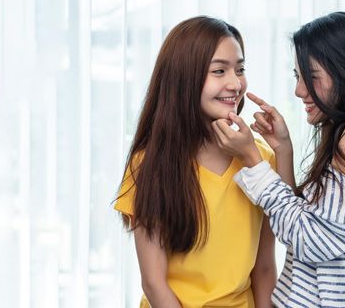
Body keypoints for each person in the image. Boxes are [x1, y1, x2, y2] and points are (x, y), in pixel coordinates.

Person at [212, 12, 345, 307]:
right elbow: (301, 223)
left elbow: (310, 242)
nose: (299, 91)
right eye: (298, 77)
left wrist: (252, 158)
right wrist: (283, 150)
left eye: (311, 77)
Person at [114, 16, 277, 308]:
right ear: (184, 78)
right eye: (219, 70)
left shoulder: (260, 158)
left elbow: (264, 268)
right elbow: (154, 281)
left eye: (240, 69)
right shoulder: (149, 163)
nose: (235, 83)